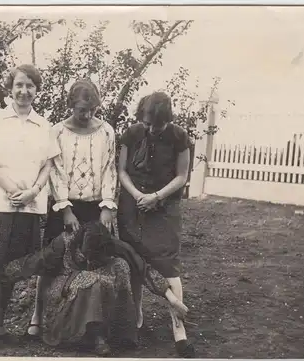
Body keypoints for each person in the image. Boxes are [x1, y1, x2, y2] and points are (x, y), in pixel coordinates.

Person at [0, 221, 189, 357]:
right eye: (85, 256)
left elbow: (144, 269)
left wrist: (172, 299)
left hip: (100, 297)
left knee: (121, 267)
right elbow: (26, 265)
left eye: (96, 258)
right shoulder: (62, 244)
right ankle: (89, 337)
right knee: (90, 279)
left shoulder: (115, 247)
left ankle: (112, 332)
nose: (89, 260)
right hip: (65, 299)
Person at [0, 64, 60, 355]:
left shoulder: (43, 125)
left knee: (12, 269)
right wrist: (10, 188)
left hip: (27, 207)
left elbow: (48, 165)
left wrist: (32, 191)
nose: (24, 91)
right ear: (10, 88)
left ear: (36, 91)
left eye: (30, 86)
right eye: (19, 85)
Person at [27, 79, 118, 339]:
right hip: (64, 204)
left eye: (92, 110)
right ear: (70, 106)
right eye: (81, 110)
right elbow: (54, 171)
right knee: (51, 261)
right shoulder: (57, 131)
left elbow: (109, 169)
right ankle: (38, 315)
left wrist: (107, 206)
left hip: (96, 206)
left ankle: (93, 324)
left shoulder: (107, 131)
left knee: (96, 262)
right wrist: (65, 209)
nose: (87, 115)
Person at [117, 92, 195, 358]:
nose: (151, 129)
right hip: (133, 206)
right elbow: (122, 171)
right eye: (147, 123)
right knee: (134, 261)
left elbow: (182, 176)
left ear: (168, 119)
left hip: (164, 208)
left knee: (167, 264)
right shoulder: (132, 133)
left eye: (157, 125)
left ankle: (179, 329)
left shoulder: (179, 137)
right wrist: (138, 196)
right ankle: (136, 319)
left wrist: (157, 197)